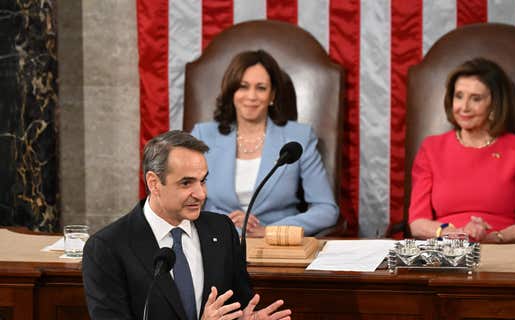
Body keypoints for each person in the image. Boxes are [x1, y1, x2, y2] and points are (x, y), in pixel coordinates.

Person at [82, 130, 291, 320]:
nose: (201, 194)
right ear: (154, 183)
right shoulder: (106, 248)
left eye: (203, 181)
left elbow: (239, 305)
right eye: (186, 183)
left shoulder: (222, 230)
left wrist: (247, 318)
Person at [191, 50, 339, 237]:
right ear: (232, 92)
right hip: (215, 241)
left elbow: (326, 209)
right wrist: (221, 223)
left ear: (272, 95)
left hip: (274, 247)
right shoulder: (203, 135)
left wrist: (270, 231)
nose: (251, 96)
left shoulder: (299, 137)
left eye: (261, 88)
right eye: (243, 86)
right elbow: (182, 198)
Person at [408, 57, 515, 243]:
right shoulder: (431, 149)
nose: (464, 107)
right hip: (447, 250)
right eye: (459, 96)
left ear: (494, 104)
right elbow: (417, 223)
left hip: (504, 249)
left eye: (476, 99)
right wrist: (454, 234)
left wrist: (495, 237)